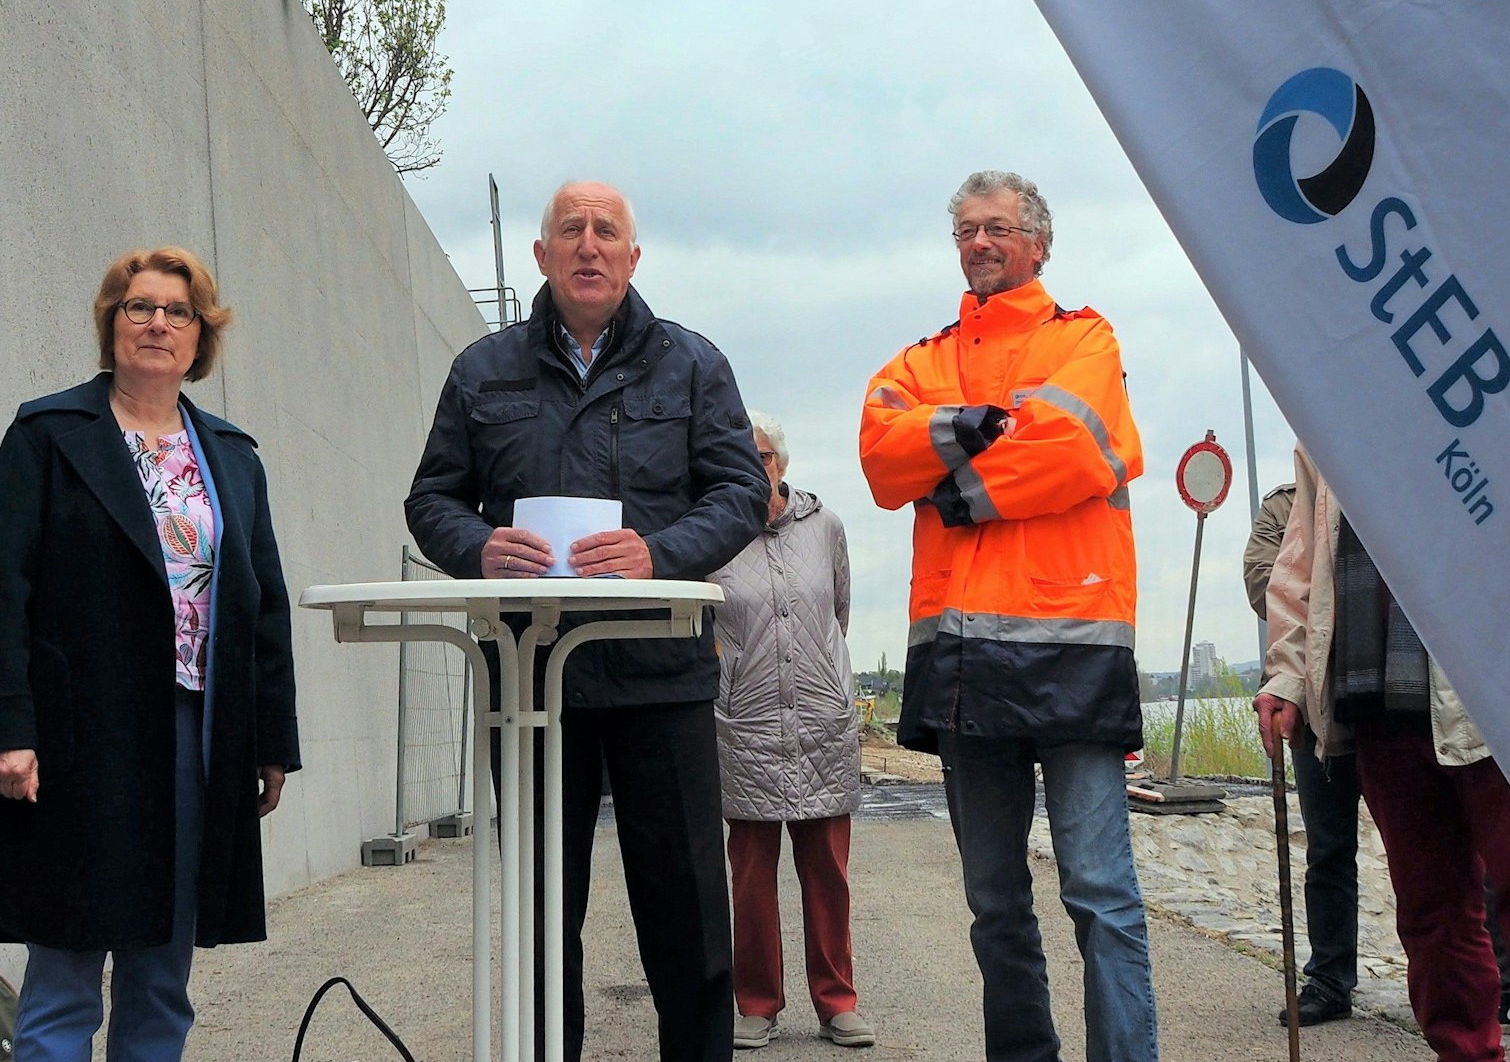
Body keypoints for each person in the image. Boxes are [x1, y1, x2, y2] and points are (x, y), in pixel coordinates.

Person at [405, 180, 768, 1061]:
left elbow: (741, 492)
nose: (589, 245)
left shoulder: (692, 364)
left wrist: (659, 551)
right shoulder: (481, 369)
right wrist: (482, 547)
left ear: (634, 257)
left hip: (661, 676)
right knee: (538, 916)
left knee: (686, 918)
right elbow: (431, 499)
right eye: (571, 230)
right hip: (529, 679)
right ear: (543, 255)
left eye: (608, 231)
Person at [0, 247, 301, 1061]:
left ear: (199, 337)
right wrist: (4, 727)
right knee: (66, 970)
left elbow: (264, 607)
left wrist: (270, 739)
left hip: (195, 737)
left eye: (176, 312)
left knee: (160, 977)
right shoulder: (49, 434)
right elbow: (0, 587)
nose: (156, 324)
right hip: (79, 740)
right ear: (111, 325)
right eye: (137, 307)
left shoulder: (233, 457)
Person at [859, 170, 1157, 1061]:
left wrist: (956, 486)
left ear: (1038, 243)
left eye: (996, 228)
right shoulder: (922, 359)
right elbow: (880, 455)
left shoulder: (1087, 338)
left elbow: (1077, 444)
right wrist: (985, 423)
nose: (979, 244)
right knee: (994, 900)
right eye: (965, 232)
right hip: (963, 670)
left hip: (1075, 658)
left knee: (1101, 892)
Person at [1256, 444, 1510, 1061]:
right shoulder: (1325, 401)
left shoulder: (1484, 369)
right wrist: (1286, 676)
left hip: (1503, 688)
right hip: (1377, 696)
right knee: (1432, 915)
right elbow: (1300, 562)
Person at [708, 412, 874, 1051]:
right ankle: (757, 1004)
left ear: (781, 463)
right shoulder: (713, 535)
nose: (755, 466)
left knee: (828, 873)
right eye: (739, 455)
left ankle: (837, 1003)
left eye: (765, 456)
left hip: (820, 725)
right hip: (745, 726)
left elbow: (840, 613)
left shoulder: (826, 527)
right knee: (750, 877)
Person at [1245, 482, 1361, 1026]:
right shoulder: (1285, 504)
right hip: (1317, 696)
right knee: (1327, 845)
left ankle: (1508, 987)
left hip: (1402, 694)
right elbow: (1267, 583)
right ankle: (1331, 979)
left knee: (1453, 849)